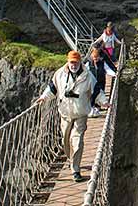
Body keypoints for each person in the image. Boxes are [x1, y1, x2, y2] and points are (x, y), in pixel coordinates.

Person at [35, 51, 110, 182]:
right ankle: (71, 160)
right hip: (65, 113)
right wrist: (43, 97)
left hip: (81, 113)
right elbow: (52, 88)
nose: (73, 65)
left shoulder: (87, 75)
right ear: (68, 62)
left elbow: (97, 90)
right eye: (71, 62)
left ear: (80, 62)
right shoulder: (59, 74)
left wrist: (103, 101)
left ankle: (75, 169)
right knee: (66, 139)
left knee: (77, 140)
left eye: (75, 62)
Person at [87, 48, 117, 118]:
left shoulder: (102, 63)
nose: (95, 60)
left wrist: (114, 74)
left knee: (101, 93)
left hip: (101, 81)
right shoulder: (88, 64)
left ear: (99, 57)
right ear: (91, 57)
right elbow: (84, 71)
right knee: (92, 96)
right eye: (94, 58)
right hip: (92, 83)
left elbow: (108, 70)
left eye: (96, 58)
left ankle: (97, 109)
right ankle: (91, 109)